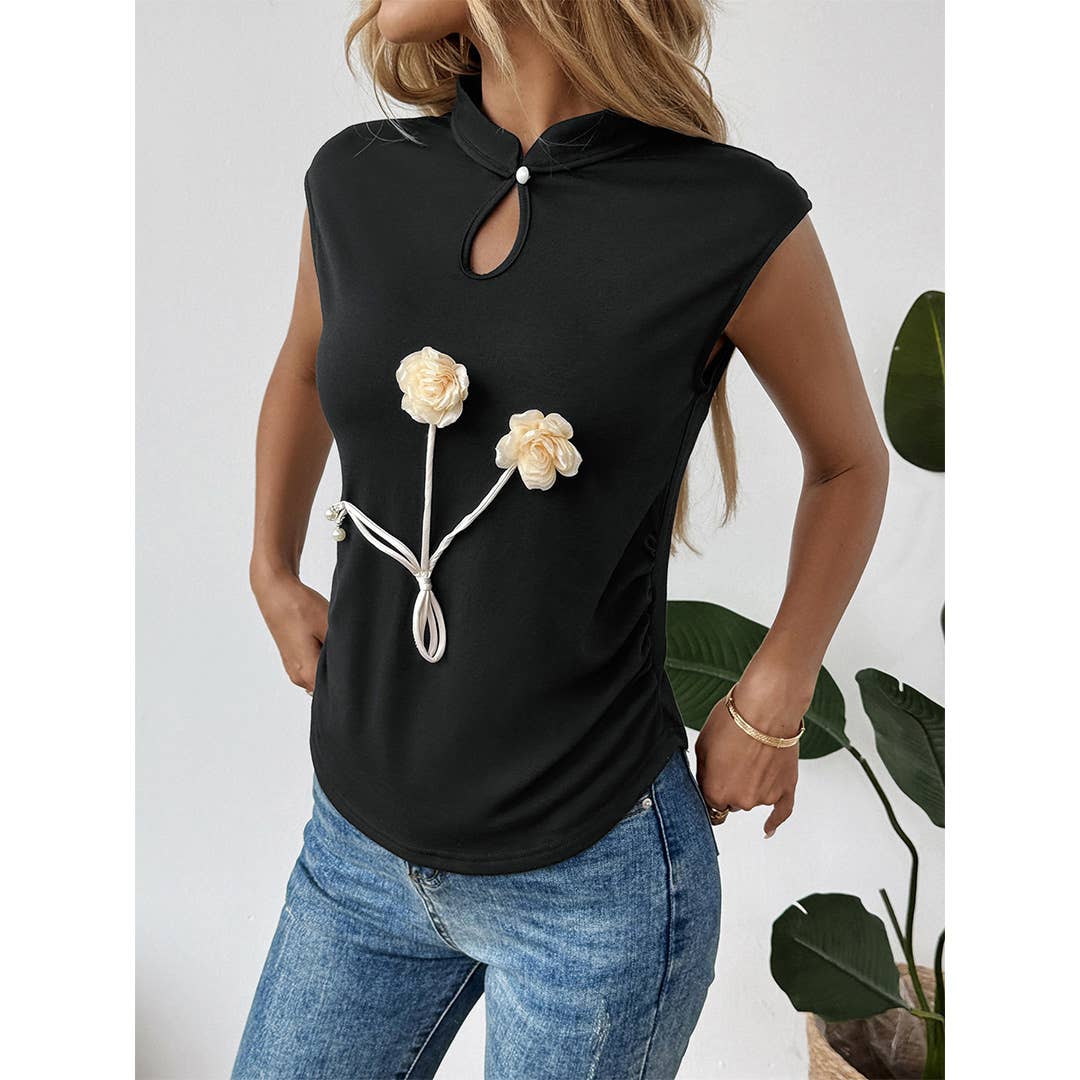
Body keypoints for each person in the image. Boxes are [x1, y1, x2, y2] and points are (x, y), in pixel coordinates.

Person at [234, 1, 889, 1076]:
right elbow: (305, 368)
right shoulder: (355, 177)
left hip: (596, 881)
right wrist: (270, 566)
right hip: (355, 853)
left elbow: (850, 464)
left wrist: (776, 692)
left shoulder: (732, 215)